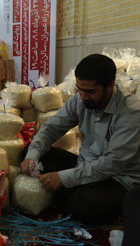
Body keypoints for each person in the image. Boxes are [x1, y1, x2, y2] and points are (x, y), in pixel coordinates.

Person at [20, 54, 140, 225]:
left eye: (90, 91)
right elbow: (51, 128)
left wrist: (63, 178)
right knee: (31, 151)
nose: (83, 97)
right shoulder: (81, 100)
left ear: (110, 86)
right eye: (79, 90)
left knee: (87, 205)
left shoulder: (131, 112)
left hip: (119, 178)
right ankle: (68, 192)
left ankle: (67, 194)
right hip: (85, 164)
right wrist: (32, 156)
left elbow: (112, 164)